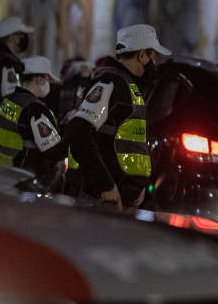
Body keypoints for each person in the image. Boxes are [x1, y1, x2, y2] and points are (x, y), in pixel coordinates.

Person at [64, 24, 170, 211]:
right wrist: (106, 185)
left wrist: (137, 187)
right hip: (103, 201)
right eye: (153, 56)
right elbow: (78, 131)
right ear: (142, 55)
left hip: (119, 199)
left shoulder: (125, 85)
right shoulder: (112, 83)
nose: (155, 63)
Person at [0, 56, 68, 192]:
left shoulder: (7, 101)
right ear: (39, 79)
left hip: (3, 172)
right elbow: (54, 151)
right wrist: (71, 128)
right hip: (27, 179)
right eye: (47, 79)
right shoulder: (35, 110)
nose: (48, 84)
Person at [0, 16, 34, 157]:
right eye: (21, 35)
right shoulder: (7, 65)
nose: (24, 39)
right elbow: (12, 100)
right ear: (13, 38)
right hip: (6, 138)